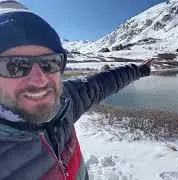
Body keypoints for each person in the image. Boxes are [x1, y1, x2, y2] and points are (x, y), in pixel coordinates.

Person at [0, 1, 152, 179]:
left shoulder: (65, 102)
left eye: (49, 63)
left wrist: (139, 70)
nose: (39, 81)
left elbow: (101, 84)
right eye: (14, 66)